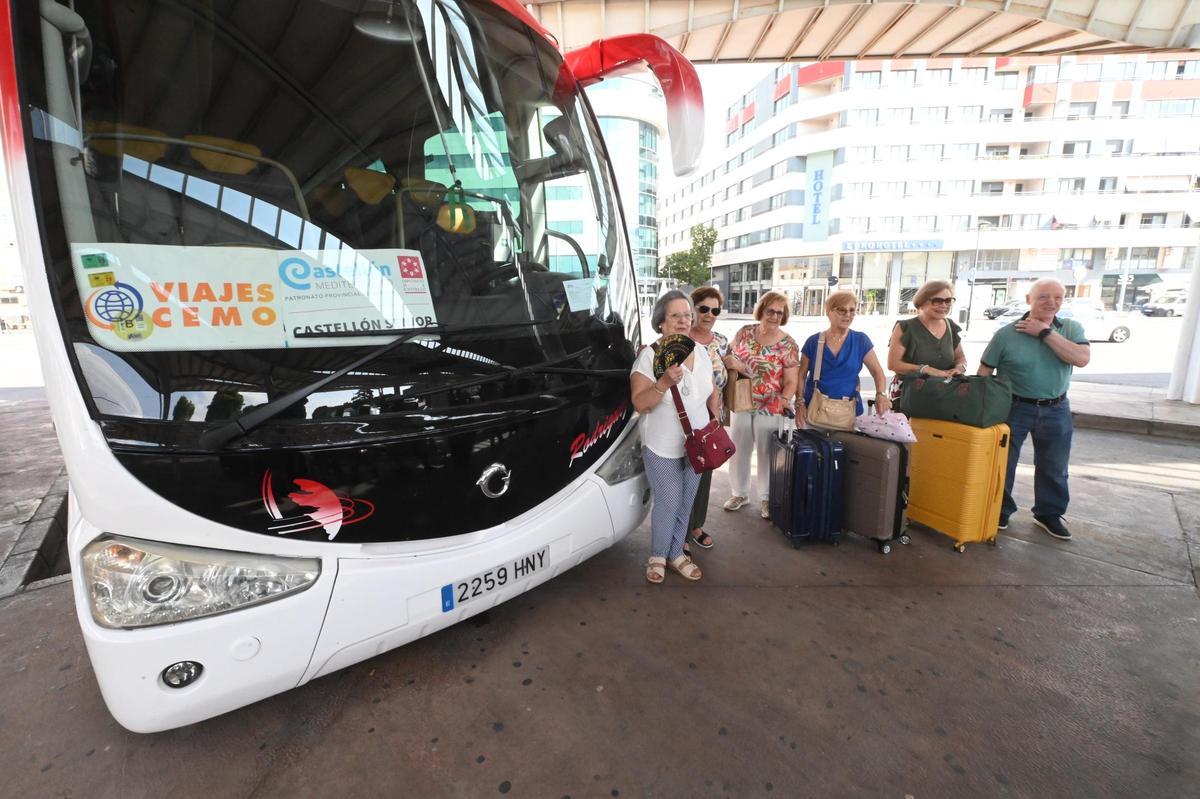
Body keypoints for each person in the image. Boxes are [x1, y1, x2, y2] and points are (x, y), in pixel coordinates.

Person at [978, 279, 1090, 541]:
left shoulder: (1071, 328)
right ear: (1029, 299)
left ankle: (1048, 513)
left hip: (1056, 407)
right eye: (1043, 297)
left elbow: (1081, 359)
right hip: (1014, 407)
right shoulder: (1006, 333)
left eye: (1058, 298)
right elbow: (984, 371)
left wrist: (1044, 332)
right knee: (1003, 464)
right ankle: (1001, 509)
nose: (1051, 302)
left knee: (1054, 465)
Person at [630, 289, 720, 583]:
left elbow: (709, 389)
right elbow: (640, 403)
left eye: (686, 315)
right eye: (675, 315)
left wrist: (714, 417)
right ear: (661, 322)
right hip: (662, 444)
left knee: (686, 501)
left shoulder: (702, 352)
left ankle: (675, 554)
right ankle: (657, 554)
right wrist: (664, 382)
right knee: (669, 501)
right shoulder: (650, 355)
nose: (682, 320)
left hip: (696, 443)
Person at [723, 290, 800, 520]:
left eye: (780, 312)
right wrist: (733, 363)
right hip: (741, 399)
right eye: (770, 311)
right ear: (761, 311)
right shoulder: (745, 332)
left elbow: (791, 380)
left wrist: (784, 402)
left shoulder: (788, 344)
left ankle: (767, 498)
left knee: (767, 453)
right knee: (739, 448)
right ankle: (739, 493)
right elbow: (729, 355)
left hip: (771, 404)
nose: (775, 316)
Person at [796, 289, 891, 427]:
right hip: (814, 411)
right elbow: (801, 375)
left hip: (848, 412)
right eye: (841, 310)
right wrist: (800, 402)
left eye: (852, 310)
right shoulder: (814, 341)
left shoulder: (861, 340)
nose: (848, 315)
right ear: (828, 312)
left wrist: (880, 394)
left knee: (847, 449)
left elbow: (877, 371)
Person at [686, 286, 729, 550]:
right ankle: (679, 529)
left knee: (705, 472)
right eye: (704, 309)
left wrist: (735, 364)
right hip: (685, 418)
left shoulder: (722, 342)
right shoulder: (680, 338)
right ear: (693, 309)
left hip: (712, 418)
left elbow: (728, 373)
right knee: (683, 473)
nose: (709, 314)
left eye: (715, 310)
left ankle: (696, 525)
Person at [887, 280, 968, 383]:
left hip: (946, 392)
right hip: (911, 392)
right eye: (937, 300)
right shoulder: (905, 327)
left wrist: (960, 368)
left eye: (948, 300)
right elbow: (893, 364)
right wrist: (926, 369)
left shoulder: (950, 325)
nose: (944, 305)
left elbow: (960, 358)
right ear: (922, 302)